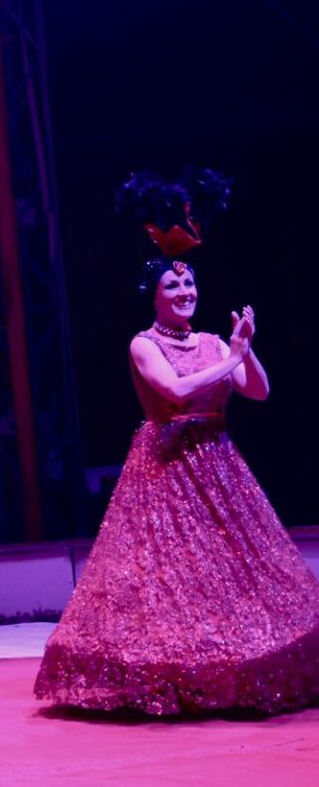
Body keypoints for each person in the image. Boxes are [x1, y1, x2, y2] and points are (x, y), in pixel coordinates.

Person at [34, 170, 319, 715]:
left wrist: (244, 348)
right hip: (166, 468)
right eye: (173, 287)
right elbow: (176, 392)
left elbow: (259, 391)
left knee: (233, 570)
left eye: (189, 286)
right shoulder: (143, 344)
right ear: (154, 295)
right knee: (171, 577)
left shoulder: (214, 342)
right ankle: (174, 673)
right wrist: (231, 360)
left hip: (220, 468)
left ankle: (240, 665)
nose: (185, 293)